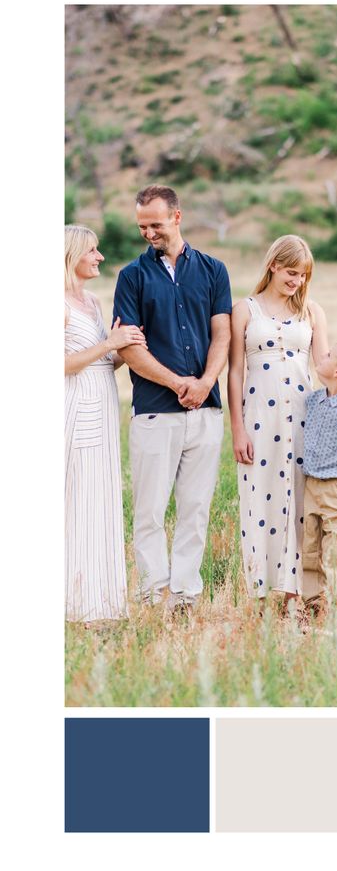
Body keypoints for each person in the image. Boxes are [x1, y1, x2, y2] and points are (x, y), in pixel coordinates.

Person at [112, 186, 232, 610]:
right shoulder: (131, 277)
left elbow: (223, 334)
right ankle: (150, 593)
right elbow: (129, 348)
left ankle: (183, 595)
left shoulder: (214, 270)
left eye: (156, 224)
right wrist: (177, 383)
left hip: (206, 409)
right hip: (154, 413)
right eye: (142, 226)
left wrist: (203, 382)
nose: (149, 233)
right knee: (149, 510)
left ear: (177, 217)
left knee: (196, 508)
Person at [228, 236, 326, 601]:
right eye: (290, 272)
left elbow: (326, 366)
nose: (296, 281)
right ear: (273, 265)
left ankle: (297, 591)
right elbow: (235, 372)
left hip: (303, 418)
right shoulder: (245, 310)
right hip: (258, 418)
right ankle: (261, 588)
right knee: (259, 498)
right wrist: (237, 429)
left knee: (301, 501)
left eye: (302, 275)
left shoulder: (311, 312)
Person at [64, 225, 147, 622]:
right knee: (75, 498)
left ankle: (98, 601)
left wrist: (126, 346)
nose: (99, 257)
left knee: (99, 498)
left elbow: (101, 360)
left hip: (103, 403)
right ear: (72, 255)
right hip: (74, 406)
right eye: (92, 251)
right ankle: (71, 599)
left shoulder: (93, 302)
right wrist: (109, 345)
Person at [301, 342, 337, 617]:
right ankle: (313, 602)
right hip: (311, 484)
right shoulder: (314, 400)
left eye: (327, 355)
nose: (320, 356)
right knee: (310, 546)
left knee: (336, 550)